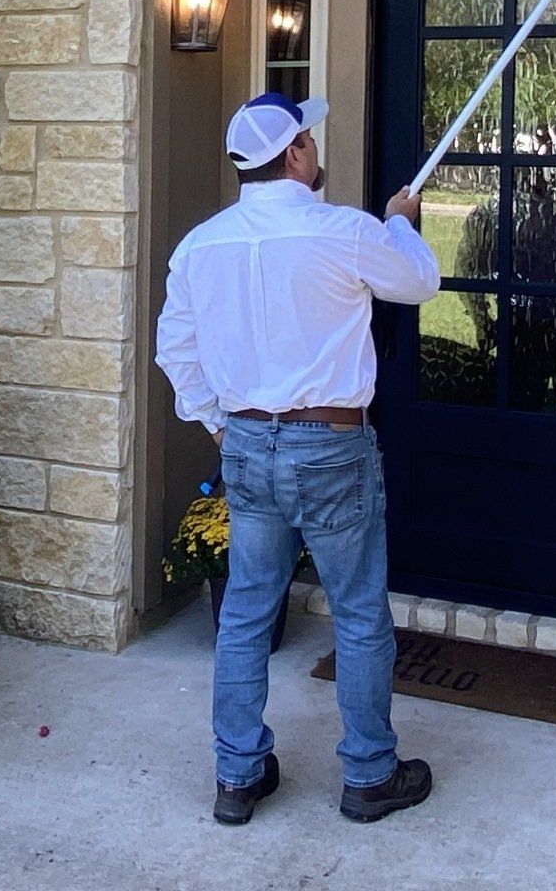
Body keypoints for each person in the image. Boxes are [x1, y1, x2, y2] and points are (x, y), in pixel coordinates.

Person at [156, 91, 441, 826]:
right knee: (358, 613)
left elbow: (175, 350)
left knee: (247, 613)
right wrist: (401, 225)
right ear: (294, 155)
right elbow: (418, 282)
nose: (315, 148)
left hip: (248, 443)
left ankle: (237, 776)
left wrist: (218, 426)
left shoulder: (200, 245)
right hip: (332, 448)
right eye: (308, 139)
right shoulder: (343, 231)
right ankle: (371, 775)